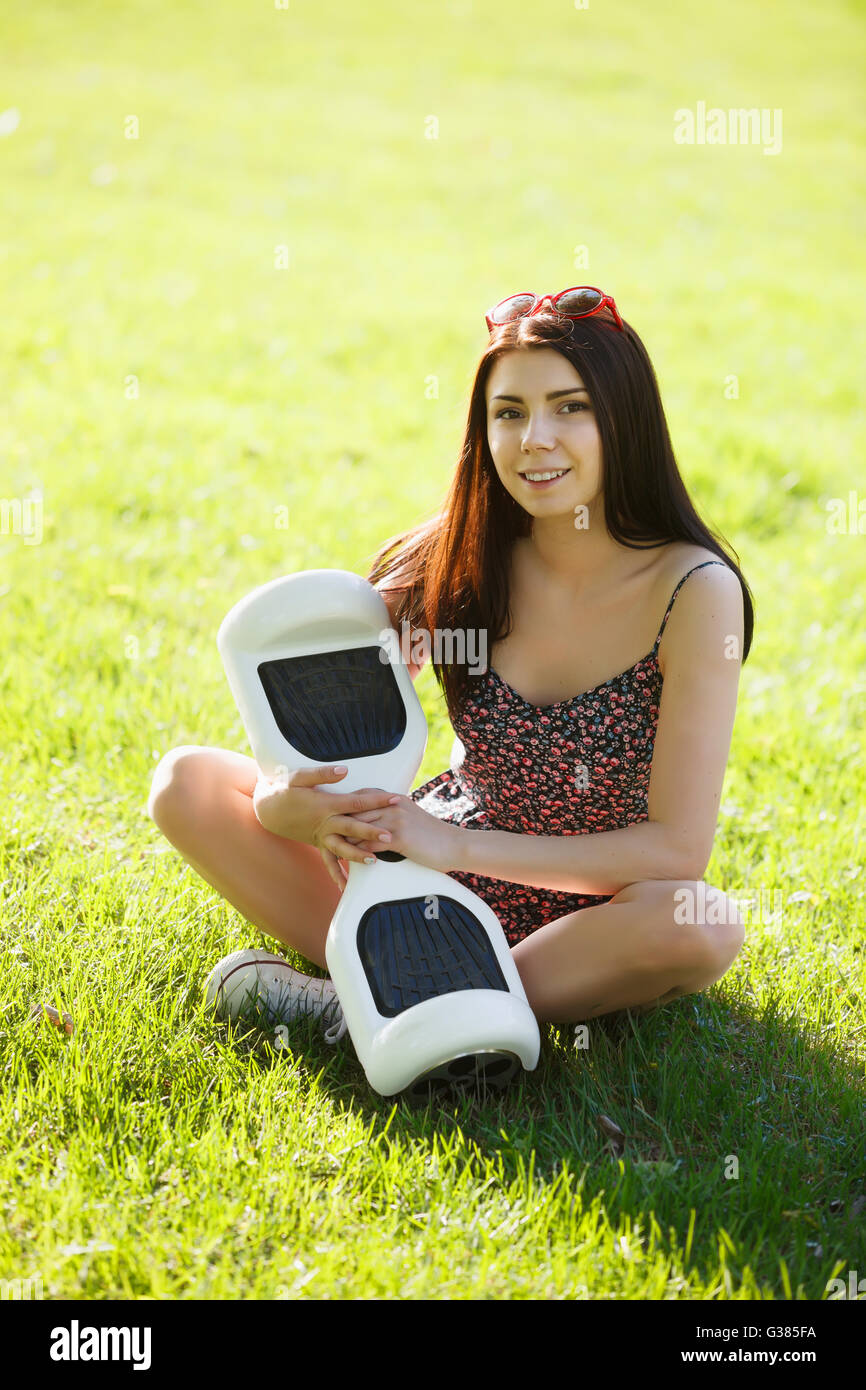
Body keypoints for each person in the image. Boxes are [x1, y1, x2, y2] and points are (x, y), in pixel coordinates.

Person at [147, 286, 754, 1045]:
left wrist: (453, 845)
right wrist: (284, 805)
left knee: (701, 925)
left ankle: (376, 1006)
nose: (536, 438)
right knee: (186, 783)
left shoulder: (694, 590)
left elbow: (673, 851)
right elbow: (329, 729)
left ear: (625, 419)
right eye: (509, 412)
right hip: (419, 883)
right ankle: (419, 1001)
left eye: (571, 407)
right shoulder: (457, 554)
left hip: (587, 916)